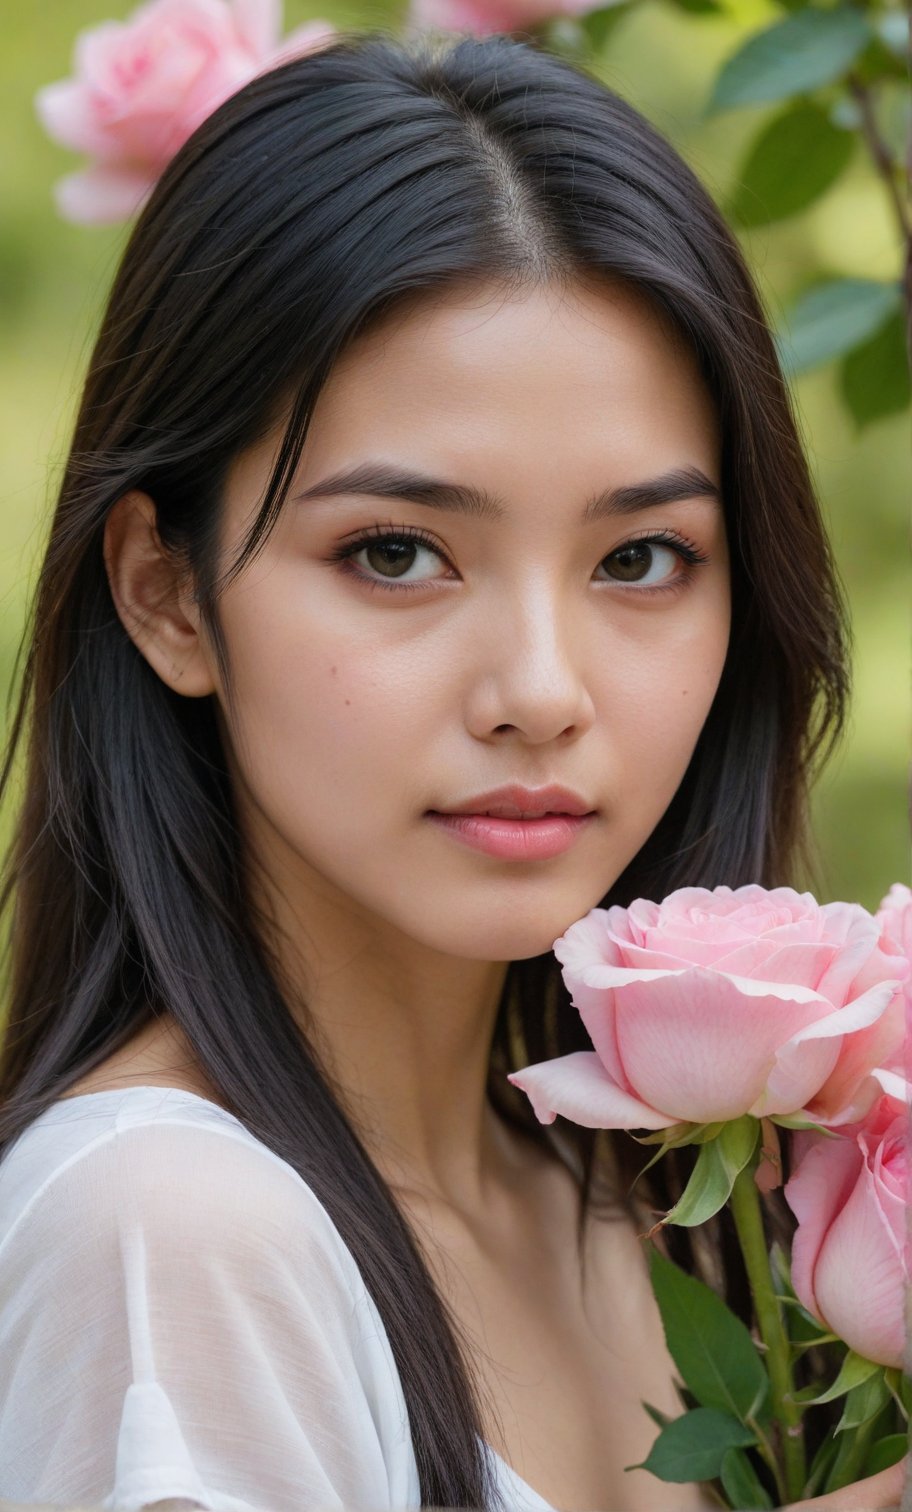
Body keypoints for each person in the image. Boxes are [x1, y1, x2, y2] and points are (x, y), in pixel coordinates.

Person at [0, 26, 905, 1512]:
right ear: (169, 594)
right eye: (398, 553)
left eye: (639, 557)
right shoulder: (170, 1234)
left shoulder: (671, 1211)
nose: (541, 692)